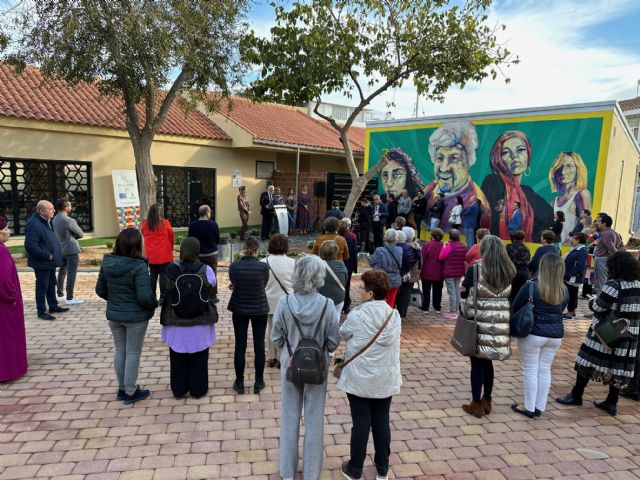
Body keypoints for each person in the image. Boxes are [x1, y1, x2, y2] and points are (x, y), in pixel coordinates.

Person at [271, 255, 340, 480]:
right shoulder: (328, 305)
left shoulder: (284, 303)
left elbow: (276, 337)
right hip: (318, 367)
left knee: (290, 416)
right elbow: (333, 342)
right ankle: (311, 472)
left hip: (290, 365)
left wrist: (289, 352)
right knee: (314, 417)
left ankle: (287, 471)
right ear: (318, 276)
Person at [556, 251, 640, 416]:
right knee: (618, 368)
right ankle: (611, 402)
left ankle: (576, 395)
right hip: (629, 335)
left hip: (607, 332)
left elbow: (599, 307)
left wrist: (592, 300)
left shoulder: (614, 284)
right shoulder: (637, 284)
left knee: (587, 361)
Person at [337, 270, 401, 480]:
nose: (360, 292)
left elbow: (343, 333)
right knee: (382, 420)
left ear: (371, 293)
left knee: (361, 422)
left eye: (363, 289)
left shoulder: (358, 314)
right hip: (384, 378)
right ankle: (382, 468)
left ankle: (355, 468)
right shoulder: (394, 316)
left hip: (360, 378)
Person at [96, 228, 157, 404]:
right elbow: (144, 296)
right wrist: (154, 304)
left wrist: (115, 300)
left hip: (114, 316)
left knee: (120, 351)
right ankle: (131, 391)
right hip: (135, 318)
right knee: (132, 353)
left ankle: (122, 389)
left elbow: (100, 289)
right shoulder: (139, 266)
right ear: (137, 245)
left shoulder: (107, 262)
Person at [460, 235, 516, 418]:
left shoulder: (476, 269)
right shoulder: (509, 270)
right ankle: (487, 399)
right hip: (499, 320)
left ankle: (475, 403)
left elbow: (465, 290)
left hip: (479, 320)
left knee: (476, 362)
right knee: (488, 361)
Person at [511, 253, 568, 418]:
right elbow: (563, 307)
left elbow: (515, 306)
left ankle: (528, 407)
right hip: (555, 335)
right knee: (544, 370)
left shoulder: (531, 286)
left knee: (530, 370)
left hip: (533, 333)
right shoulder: (563, 290)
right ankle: (539, 407)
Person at [160, 237, 217, 399]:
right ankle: (198, 389)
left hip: (175, 320)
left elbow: (164, 290)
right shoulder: (206, 269)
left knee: (177, 356)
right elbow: (212, 291)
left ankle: (179, 389)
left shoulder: (170, 268)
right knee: (200, 356)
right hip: (200, 319)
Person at [481, 130, 553, 241]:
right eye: (505, 152)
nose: (514, 156)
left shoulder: (531, 195)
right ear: (498, 159)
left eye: (520, 150)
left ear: (528, 155)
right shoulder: (493, 183)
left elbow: (548, 217)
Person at [423, 122, 491, 232]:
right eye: (440, 158)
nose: (444, 168)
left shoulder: (475, 201)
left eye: (454, 159)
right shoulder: (430, 188)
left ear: (468, 162)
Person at [227, 237, 270, 395]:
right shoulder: (263, 267)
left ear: (244, 249)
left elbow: (235, 282)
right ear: (256, 250)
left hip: (239, 307)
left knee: (240, 345)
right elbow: (263, 284)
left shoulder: (234, 266)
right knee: (259, 345)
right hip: (259, 308)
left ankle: (239, 381)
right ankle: (259, 381)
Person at [24, 200, 67, 320]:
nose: (53, 210)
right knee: (42, 286)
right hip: (42, 262)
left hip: (50, 262)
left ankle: (53, 305)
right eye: (50, 209)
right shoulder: (34, 224)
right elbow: (30, 246)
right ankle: (41, 311)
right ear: (41, 211)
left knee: (51, 283)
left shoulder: (47, 221)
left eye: (53, 208)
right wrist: (47, 255)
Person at [0, 214, 28, 382]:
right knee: (7, 337)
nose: (8, 232)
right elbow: (3, 278)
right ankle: (8, 370)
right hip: (4, 304)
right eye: (5, 229)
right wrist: (12, 297)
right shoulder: (1, 251)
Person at [262, 234, 295, 369]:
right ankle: (283, 357)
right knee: (286, 330)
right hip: (287, 301)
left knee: (270, 329)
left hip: (268, 300)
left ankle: (271, 357)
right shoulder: (292, 263)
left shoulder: (263, 262)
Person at [549, 151, 593, 242]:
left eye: (569, 166)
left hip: (570, 247)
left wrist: (570, 243)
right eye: (560, 166)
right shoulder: (554, 201)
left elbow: (587, 225)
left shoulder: (582, 194)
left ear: (578, 169)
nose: (563, 171)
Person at [52, 197, 85, 305]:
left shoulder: (55, 219)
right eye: (70, 205)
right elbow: (81, 234)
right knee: (71, 273)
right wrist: (74, 235)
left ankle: (60, 294)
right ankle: (70, 298)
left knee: (62, 272)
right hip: (71, 249)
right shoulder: (69, 220)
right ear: (66, 208)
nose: (71, 207)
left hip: (61, 249)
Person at [141, 203, 174, 301]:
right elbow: (171, 237)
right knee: (164, 276)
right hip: (164, 254)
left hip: (151, 255)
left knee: (153, 276)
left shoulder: (145, 224)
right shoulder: (165, 223)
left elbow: (144, 234)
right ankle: (163, 298)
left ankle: (152, 297)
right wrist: (170, 248)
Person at [188, 204, 220, 303]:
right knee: (213, 274)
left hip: (198, 254)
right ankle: (212, 296)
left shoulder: (192, 225)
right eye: (210, 212)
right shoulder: (213, 224)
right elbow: (217, 239)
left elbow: (191, 239)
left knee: (197, 274)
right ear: (207, 213)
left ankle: (198, 294)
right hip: (211, 254)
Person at [369, 229, 403, 308]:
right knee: (390, 302)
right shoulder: (400, 250)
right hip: (395, 279)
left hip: (381, 279)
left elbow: (371, 262)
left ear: (385, 237)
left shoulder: (379, 250)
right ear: (396, 238)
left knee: (378, 302)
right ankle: (388, 317)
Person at [592, 212, 623, 295]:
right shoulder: (612, 232)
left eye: (599, 221)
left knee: (600, 282)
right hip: (605, 259)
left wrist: (618, 256)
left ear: (604, 224)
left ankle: (600, 301)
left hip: (602, 259)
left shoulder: (606, 233)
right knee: (602, 281)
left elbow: (612, 248)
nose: (596, 223)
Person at [439, 229, 467, 319]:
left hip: (449, 272)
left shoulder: (450, 246)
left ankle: (453, 311)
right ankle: (457, 310)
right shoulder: (463, 246)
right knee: (456, 290)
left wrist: (444, 246)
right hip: (459, 271)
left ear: (450, 237)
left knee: (451, 292)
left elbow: (441, 257)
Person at [396, 227, 421, 319]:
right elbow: (419, 261)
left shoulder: (399, 246)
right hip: (411, 274)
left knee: (398, 292)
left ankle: (396, 311)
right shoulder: (416, 246)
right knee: (406, 293)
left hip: (401, 273)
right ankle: (402, 312)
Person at [318, 240, 348, 315]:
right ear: (335, 253)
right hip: (338, 299)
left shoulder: (317, 265)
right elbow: (345, 281)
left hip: (321, 300)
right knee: (335, 319)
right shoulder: (341, 265)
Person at [563, 232, 588, 318]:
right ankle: (571, 311)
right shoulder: (576, 248)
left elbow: (580, 266)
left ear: (578, 240)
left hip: (573, 277)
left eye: (574, 238)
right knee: (572, 293)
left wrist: (570, 274)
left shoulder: (582, 250)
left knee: (572, 294)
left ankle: (570, 312)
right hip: (570, 275)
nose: (572, 240)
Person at [419, 228, 444, 313]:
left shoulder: (426, 245)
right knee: (438, 290)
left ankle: (425, 307)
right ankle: (437, 307)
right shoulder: (443, 245)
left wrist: (420, 271)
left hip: (427, 271)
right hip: (439, 272)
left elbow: (422, 258)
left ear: (432, 235)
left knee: (426, 290)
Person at [506, 230, 531, 302]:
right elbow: (527, 262)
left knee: (511, 297)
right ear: (523, 239)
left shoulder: (508, 248)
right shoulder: (526, 250)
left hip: (512, 274)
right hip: (524, 275)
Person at [340, 219, 359, 314]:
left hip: (338, 264)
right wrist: (355, 268)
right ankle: (345, 306)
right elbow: (354, 253)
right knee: (346, 286)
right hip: (348, 265)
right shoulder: (352, 236)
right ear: (349, 226)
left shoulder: (337, 235)